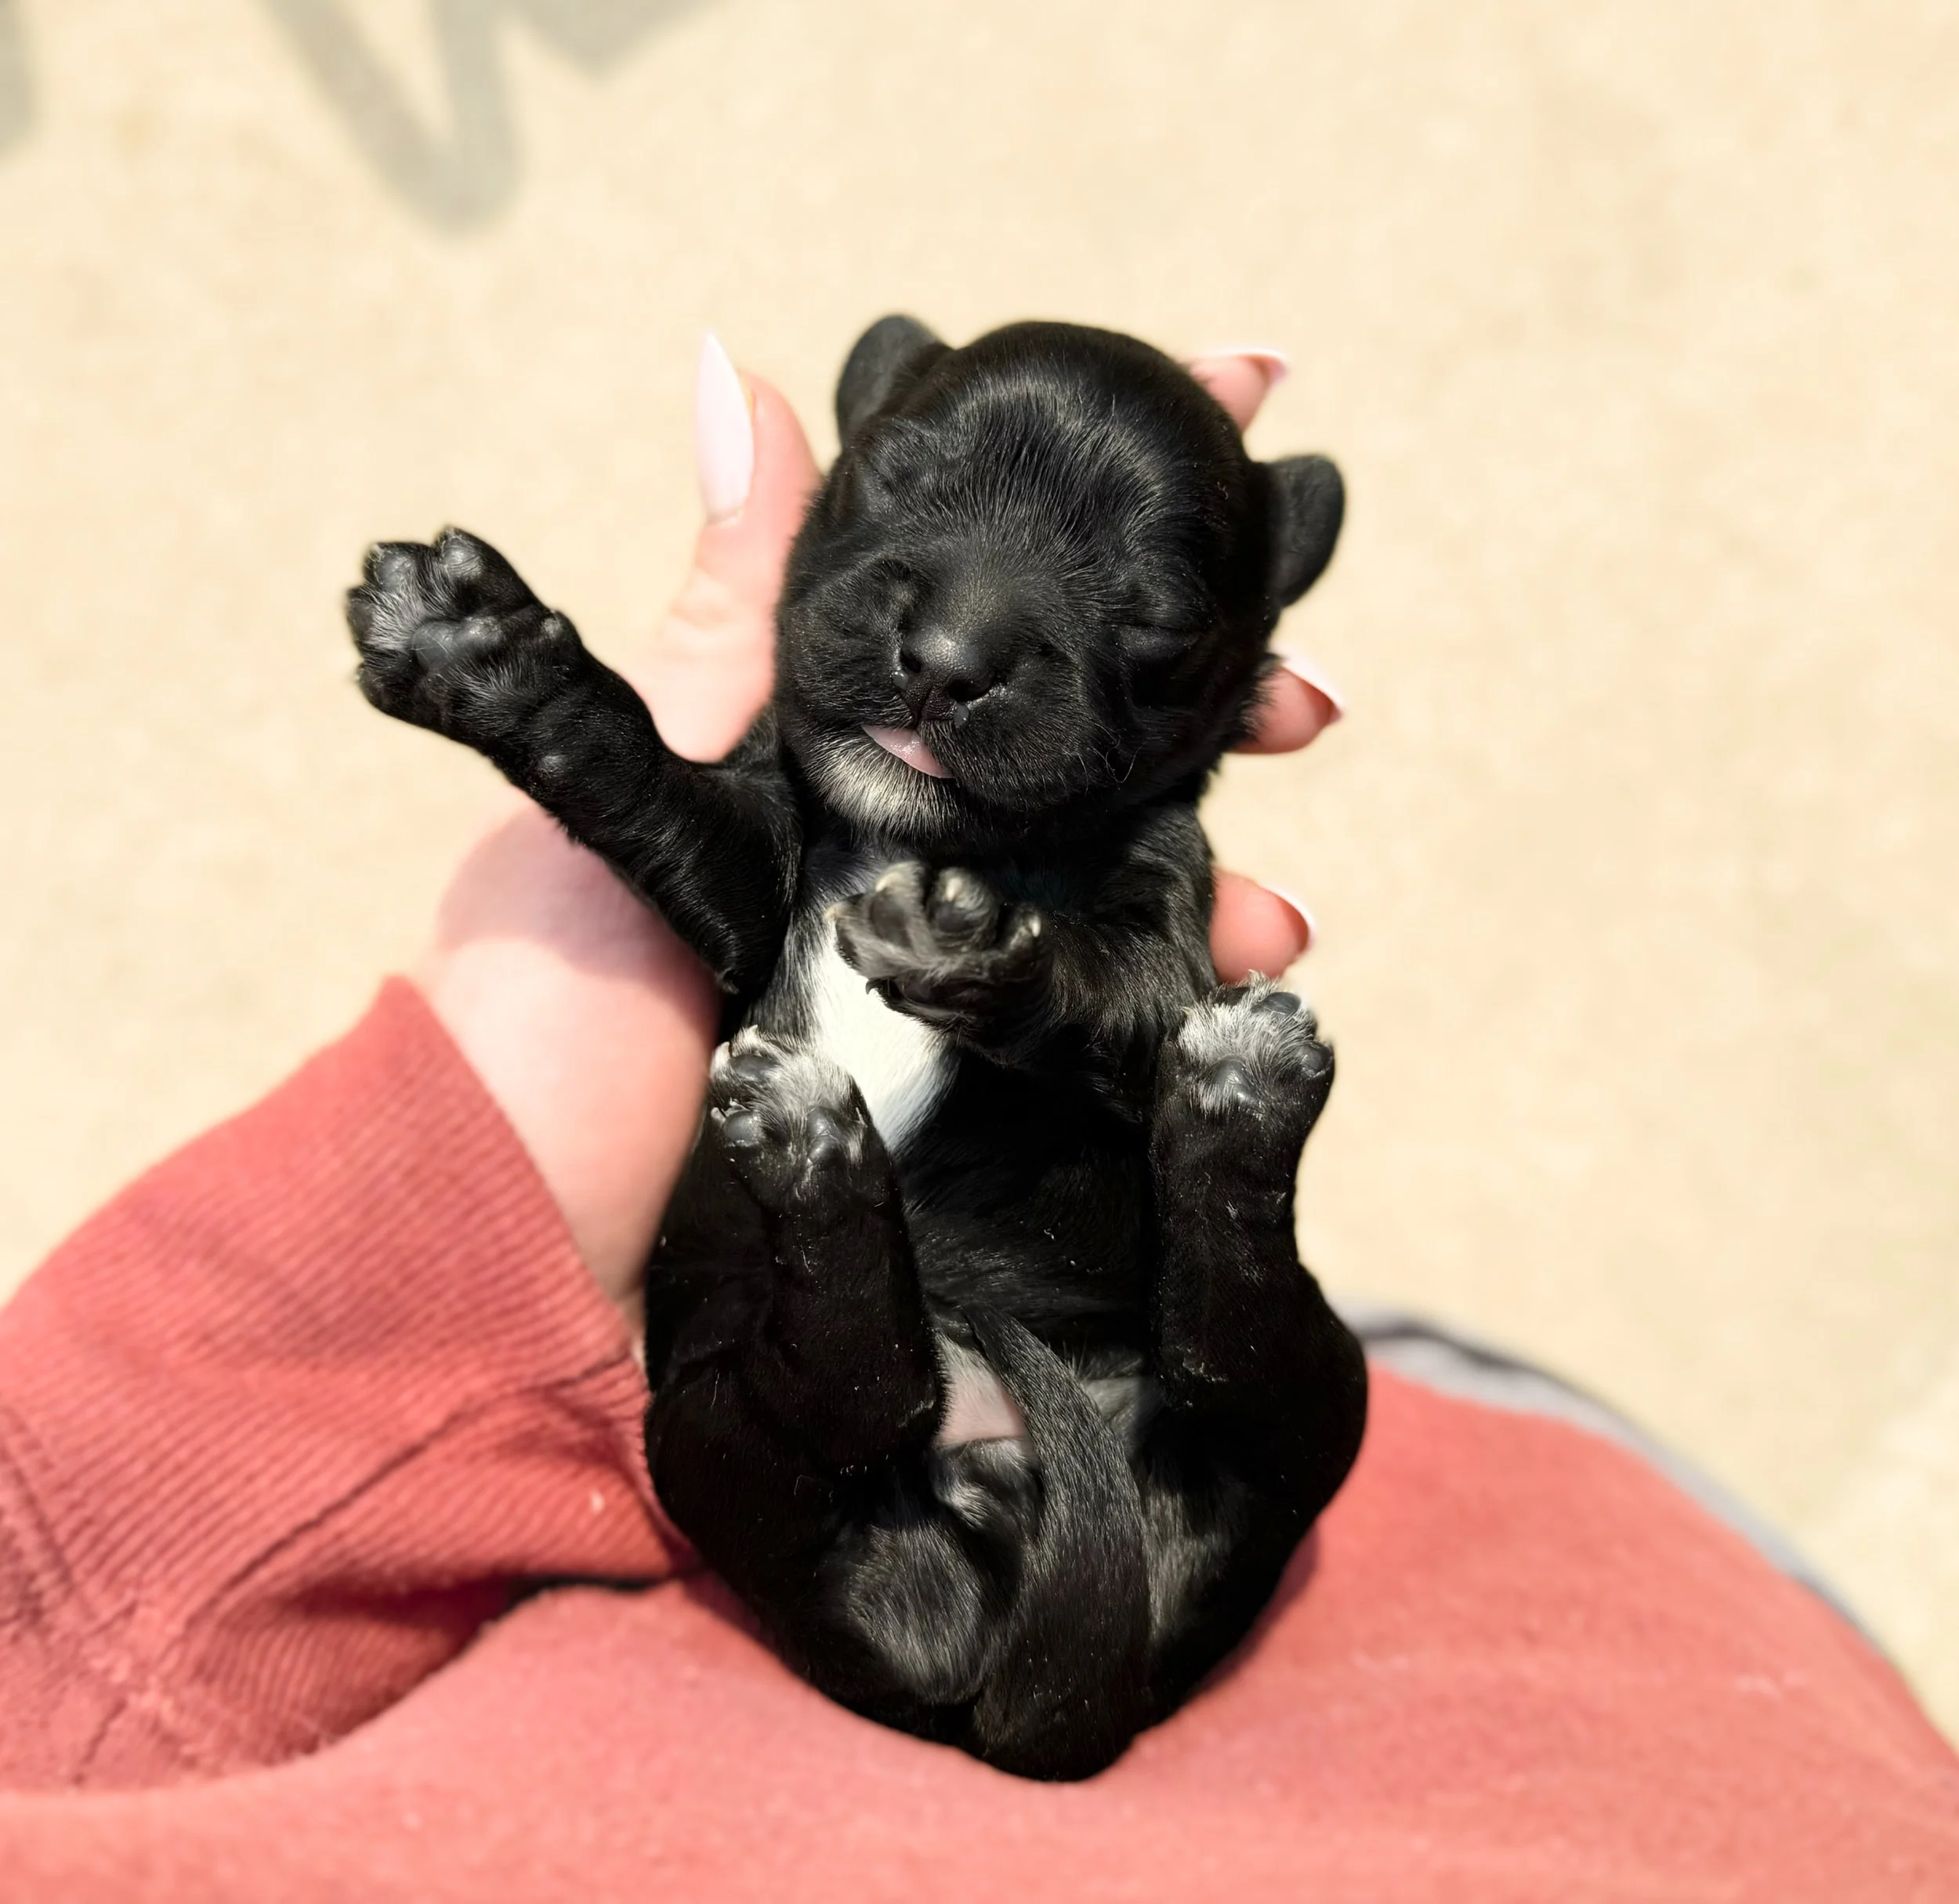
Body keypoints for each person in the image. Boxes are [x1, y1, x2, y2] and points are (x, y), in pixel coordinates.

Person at [0, 348, 1951, 1902]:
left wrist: (1029, 984)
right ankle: (1072, 1193)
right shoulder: (804, 791)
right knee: (960, 1371)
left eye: (1144, 616)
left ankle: (1091, 1186)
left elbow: (1131, 1015)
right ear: (855, 442)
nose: (951, 641)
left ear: (1237, 663)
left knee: (1251, 1340)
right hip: (882, 1501)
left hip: (1111, 1508)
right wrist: (535, 696)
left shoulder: (1126, 867)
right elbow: (699, 856)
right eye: (916, 490)